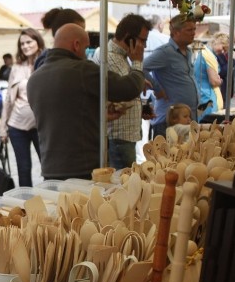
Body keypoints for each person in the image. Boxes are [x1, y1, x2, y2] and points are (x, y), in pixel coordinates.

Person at [28, 23, 145, 180]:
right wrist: (137, 63)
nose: (85, 54)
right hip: (84, 170)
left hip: (50, 170)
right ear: (76, 45)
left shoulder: (34, 79)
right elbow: (128, 89)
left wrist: (100, 115)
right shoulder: (82, 69)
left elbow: (64, 116)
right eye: (85, 48)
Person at [101, 14, 152, 170]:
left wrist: (141, 108)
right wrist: (138, 62)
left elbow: (123, 95)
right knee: (124, 186)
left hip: (125, 136)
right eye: (142, 40)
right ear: (128, 37)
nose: (144, 46)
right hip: (119, 138)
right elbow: (126, 92)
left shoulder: (121, 58)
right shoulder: (108, 58)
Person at [0, 29, 45, 187]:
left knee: (47, 168)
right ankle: (26, 207)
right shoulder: (16, 67)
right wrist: (2, 128)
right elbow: (8, 99)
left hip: (40, 126)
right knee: (24, 169)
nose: (25, 46)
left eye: (29, 42)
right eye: (22, 43)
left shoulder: (45, 63)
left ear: (38, 42)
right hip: (17, 125)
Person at [144, 14, 200, 139]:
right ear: (175, 32)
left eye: (194, 29)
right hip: (168, 122)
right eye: (189, 30)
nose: (193, 33)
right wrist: (157, 89)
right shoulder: (165, 52)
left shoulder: (189, 52)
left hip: (187, 120)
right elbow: (141, 67)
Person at [195, 33, 227, 117]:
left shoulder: (205, 53)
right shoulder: (208, 55)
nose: (223, 51)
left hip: (203, 96)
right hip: (207, 98)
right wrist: (220, 81)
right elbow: (213, 81)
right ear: (217, 42)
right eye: (223, 48)